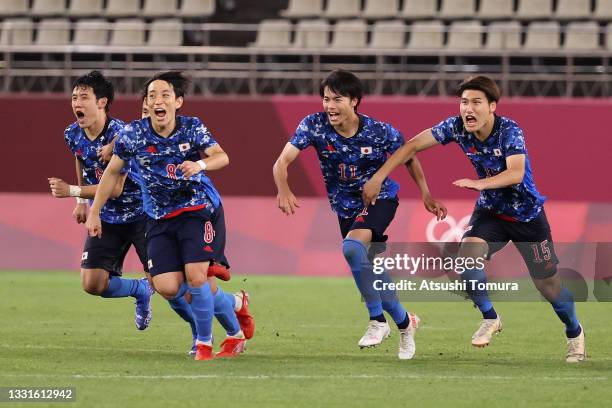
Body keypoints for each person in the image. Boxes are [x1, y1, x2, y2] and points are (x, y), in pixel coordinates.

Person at [362, 75, 586, 363]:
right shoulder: (456, 127)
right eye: (464, 102)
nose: (468, 108)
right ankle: (490, 317)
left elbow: (516, 173)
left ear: (492, 106)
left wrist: (481, 184)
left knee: (548, 286)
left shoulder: (510, 131)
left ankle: (574, 332)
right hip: (490, 213)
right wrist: (379, 177)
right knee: (466, 257)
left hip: (527, 216)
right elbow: (412, 146)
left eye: (476, 102)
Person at [273, 69, 446, 360]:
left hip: (381, 200)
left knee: (352, 248)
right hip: (345, 208)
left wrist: (425, 193)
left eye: (336, 99)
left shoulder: (379, 131)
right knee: (375, 271)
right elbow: (282, 161)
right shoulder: (314, 126)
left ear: (354, 101)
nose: (329, 106)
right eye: (325, 99)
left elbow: (409, 157)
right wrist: (283, 188)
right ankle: (405, 325)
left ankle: (377, 321)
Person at [86, 71, 251, 361]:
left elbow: (222, 156)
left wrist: (199, 165)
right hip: (159, 219)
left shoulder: (191, 128)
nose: (157, 100)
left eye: (165, 95)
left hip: (198, 211)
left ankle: (205, 343)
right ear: (146, 105)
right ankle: (235, 305)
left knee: (196, 278)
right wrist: (94, 212)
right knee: (168, 286)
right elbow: (112, 171)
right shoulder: (133, 134)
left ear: (178, 101)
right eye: (152, 96)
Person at [48, 70, 153, 330]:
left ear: (102, 102)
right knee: (92, 283)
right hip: (107, 216)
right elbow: (80, 158)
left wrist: (72, 191)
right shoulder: (72, 134)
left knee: (166, 282)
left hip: (141, 214)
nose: (76, 104)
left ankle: (209, 327)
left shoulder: (123, 134)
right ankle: (140, 290)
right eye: (74, 98)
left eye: (83, 97)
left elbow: (115, 188)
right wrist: (81, 203)